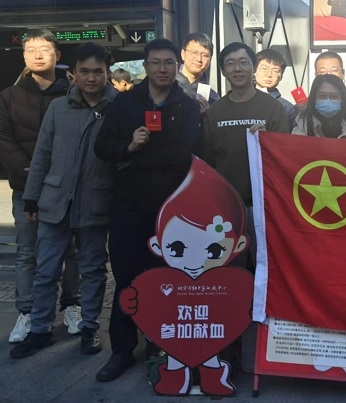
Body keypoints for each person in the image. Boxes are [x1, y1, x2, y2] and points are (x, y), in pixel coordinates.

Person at [94, 38, 202, 382]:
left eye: (169, 63)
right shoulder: (124, 102)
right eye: (156, 63)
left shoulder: (188, 107)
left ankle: (160, 346)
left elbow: (185, 155)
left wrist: (136, 158)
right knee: (127, 277)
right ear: (146, 66)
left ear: (177, 66)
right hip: (128, 206)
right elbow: (102, 147)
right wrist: (128, 147)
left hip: (172, 209)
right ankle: (122, 350)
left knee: (166, 279)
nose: (162, 69)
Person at [9, 42, 117, 359]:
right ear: (73, 74)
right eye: (84, 71)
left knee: (93, 269)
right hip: (55, 201)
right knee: (46, 270)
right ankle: (40, 330)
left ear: (108, 73)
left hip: (96, 201)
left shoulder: (119, 107)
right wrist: (32, 198)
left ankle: (89, 328)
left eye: (98, 71)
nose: (91, 78)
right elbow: (42, 154)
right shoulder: (58, 108)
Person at [0, 29, 81, 344]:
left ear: (57, 55)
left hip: (67, 186)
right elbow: (4, 139)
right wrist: (29, 171)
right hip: (26, 186)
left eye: (44, 49)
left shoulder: (73, 94)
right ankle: (28, 310)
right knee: (27, 251)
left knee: (71, 249)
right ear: (23, 56)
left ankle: (72, 305)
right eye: (31, 49)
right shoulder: (9, 96)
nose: (37, 54)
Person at [202, 42, 289, 268]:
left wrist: (268, 140)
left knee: (266, 266)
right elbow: (207, 162)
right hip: (227, 208)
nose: (237, 69)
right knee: (230, 268)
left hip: (265, 206)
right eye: (230, 64)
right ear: (223, 71)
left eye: (243, 62)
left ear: (253, 67)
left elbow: (285, 155)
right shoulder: (215, 112)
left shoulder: (273, 108)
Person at [292, 74, 346, 138]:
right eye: (322, 96)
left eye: (334, 96)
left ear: (342, 99)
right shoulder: (303, 123)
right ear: (314, 98)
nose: (328, 101)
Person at [254, 49, 297, 129]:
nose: (269, 74)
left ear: (281, 76)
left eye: (275, 71)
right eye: (264, 69)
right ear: (254, 70)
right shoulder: (242, 99)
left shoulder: (286, 107)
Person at [177, 32, 219, 112]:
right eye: (194, 53)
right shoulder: (168, 85)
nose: (199, 59)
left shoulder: (213, 97)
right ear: (183, 54)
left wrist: (208, 115)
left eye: (205, 55)